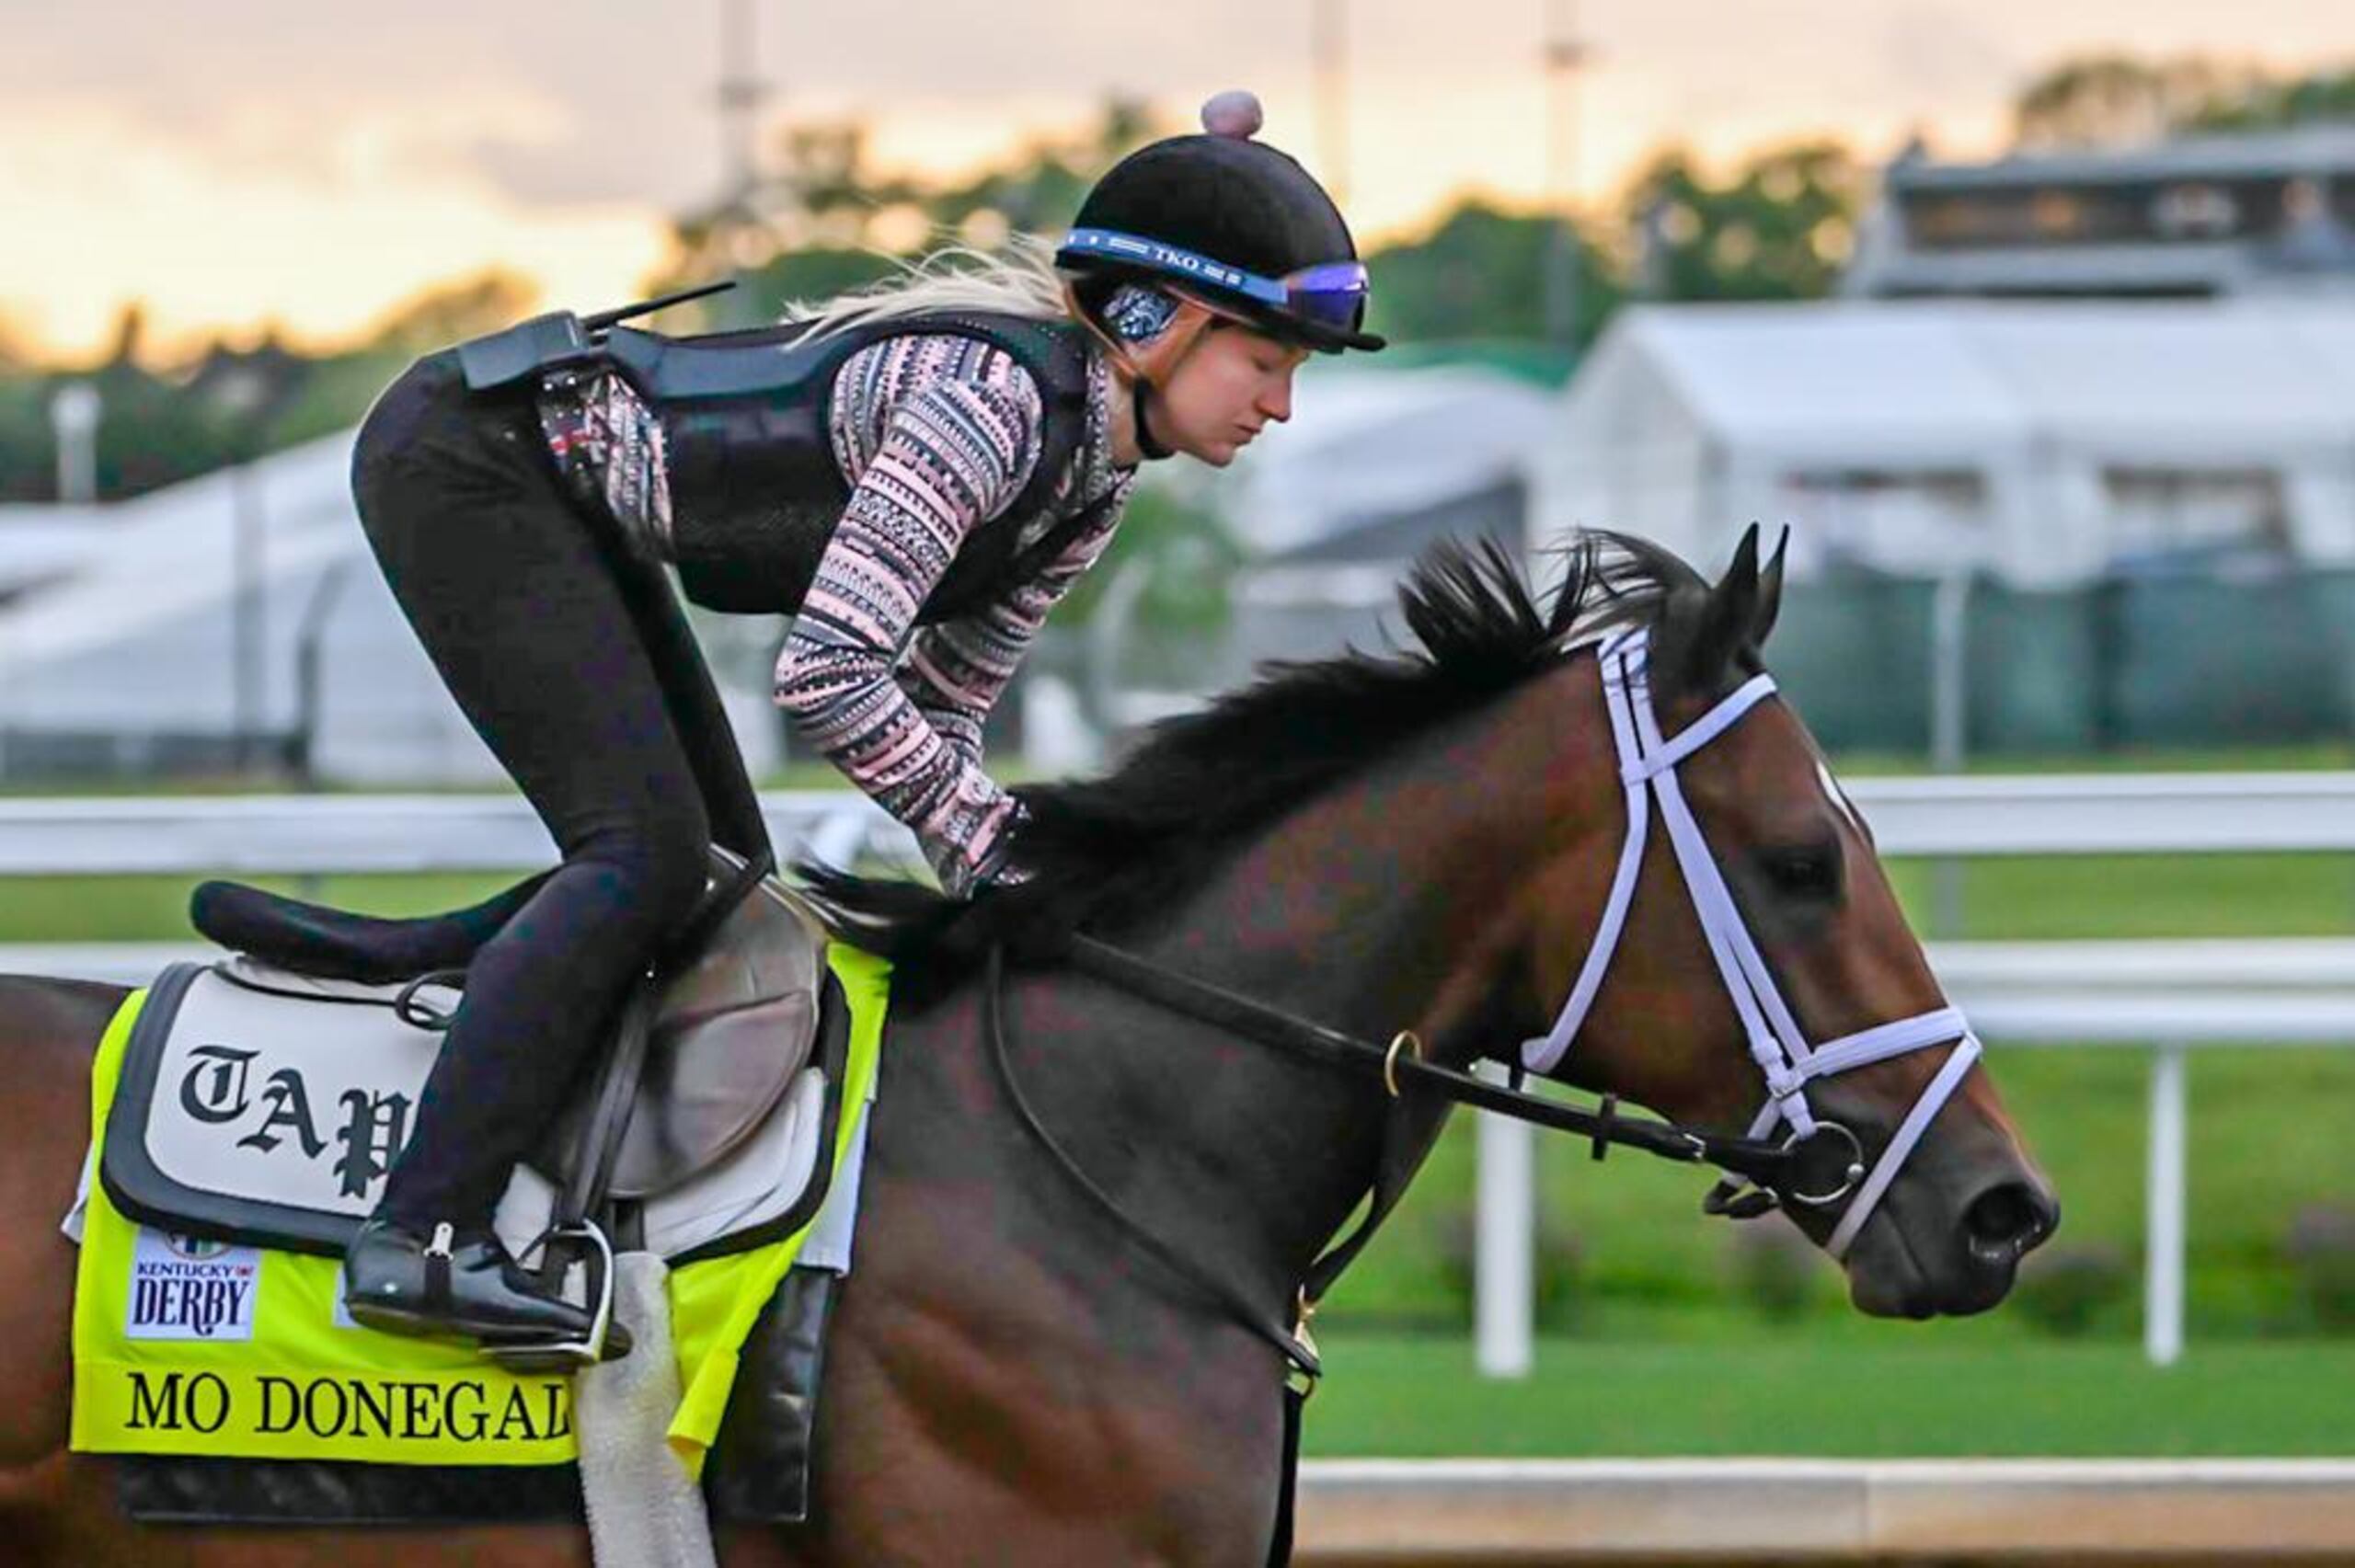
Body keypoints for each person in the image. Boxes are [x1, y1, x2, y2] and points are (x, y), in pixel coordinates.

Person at [339, 88, 1385, 1350]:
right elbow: (831, 669)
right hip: (469, 461)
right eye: (1265, 361)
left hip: (565, 496)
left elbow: (943, 710)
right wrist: (996, 849)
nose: (1279, 405)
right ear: (1158, 323)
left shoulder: (1093, 481)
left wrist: (1021, 878)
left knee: (720, 877)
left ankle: (575, 1163)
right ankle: (419, 1237)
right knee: (650, 855)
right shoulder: (992, 406)